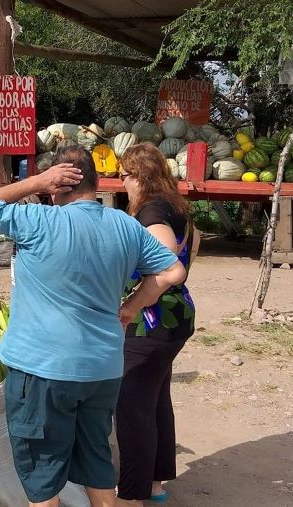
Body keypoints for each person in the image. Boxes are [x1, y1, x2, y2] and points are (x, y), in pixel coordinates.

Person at [0, 145, 186, 507]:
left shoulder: (39, 220)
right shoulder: (124, 225)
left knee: (43, 471)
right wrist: (130, 307)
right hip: (102, 369)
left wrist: (35, 182)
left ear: (56, 185)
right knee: (96, 460)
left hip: (43, 370)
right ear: (95, 183)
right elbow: (173, 271)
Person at [114, 143, 197, 507]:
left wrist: (132, 304)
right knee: (156, 400)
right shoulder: (176, 206)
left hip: (151, 322)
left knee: (132, 407)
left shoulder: (151, 212)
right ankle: (154, 484)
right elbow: (190, 255)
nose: (122, 183)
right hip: (175, 316)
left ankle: (132, 495)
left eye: (124, 176)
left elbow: (167, 268)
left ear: (140, 177)